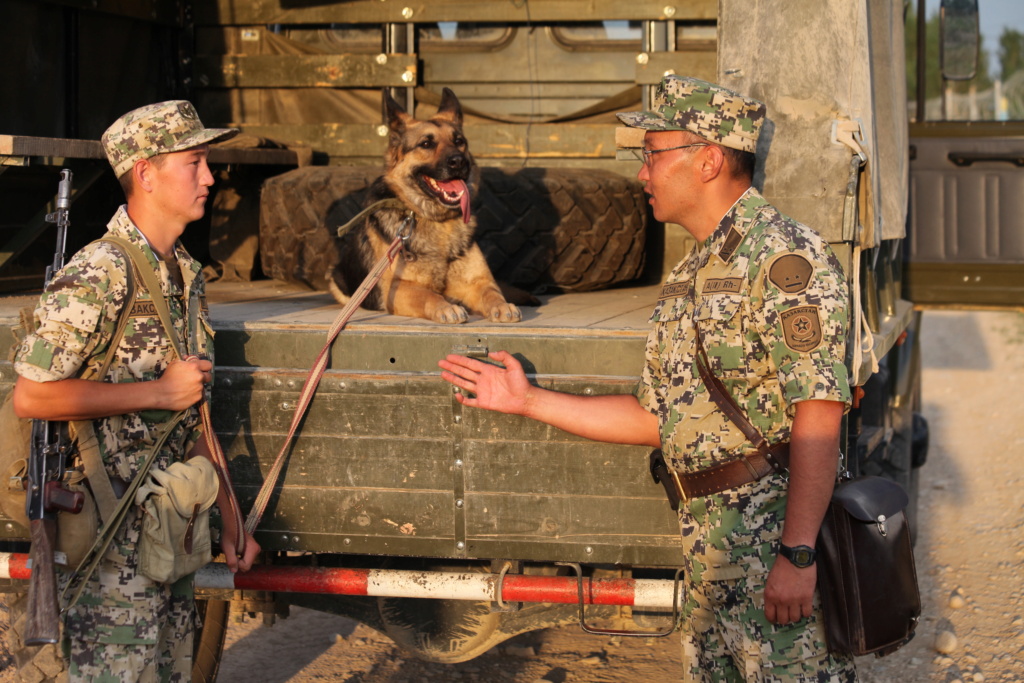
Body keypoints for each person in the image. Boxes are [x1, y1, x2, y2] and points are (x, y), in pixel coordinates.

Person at [438, 75, 856, 681]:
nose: (642, 174)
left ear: (708, 160)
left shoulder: (784, 258)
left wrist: (797, 551)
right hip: (712, 557)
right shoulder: (691, 275)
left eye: (653, 155)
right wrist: (527, 400)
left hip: (772, 552)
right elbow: (658, 418)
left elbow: (819, 414)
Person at [12, 100, 260, 681]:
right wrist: (156, 393)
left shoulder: (185, 276)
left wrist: (230, 517)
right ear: (146, 173)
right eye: (194, 161)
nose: (209, 176)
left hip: (170, 536)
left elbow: (192, 415)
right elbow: (33, 396)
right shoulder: (100, 271)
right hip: (110, 551)